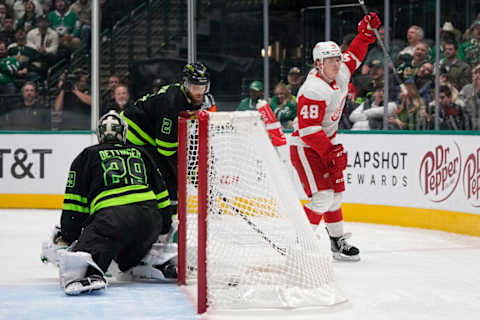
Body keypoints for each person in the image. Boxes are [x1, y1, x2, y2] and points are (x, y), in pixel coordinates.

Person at [44, 111, 174, 295]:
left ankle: (90, 273)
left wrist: (68, 235)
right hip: (150, 220)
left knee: (84, 252)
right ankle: (153, 260)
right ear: (124, 133)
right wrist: (163, 227)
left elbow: (74, 204)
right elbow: (162, 195)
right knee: (126, 258)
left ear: (100, 134)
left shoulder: (87, 156)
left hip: (112, 220)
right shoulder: (141, 153)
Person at [289, 12, 381, 262]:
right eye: (329, 60)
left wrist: (365, 33)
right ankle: (301, 242)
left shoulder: (340, 73)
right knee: (322, 197)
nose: (336, 63)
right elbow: (308, 130)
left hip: (323, 144)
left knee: (335, 195)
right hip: (305, 147)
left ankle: (337, 241)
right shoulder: (312, 89)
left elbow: (355, 54)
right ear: (318, 64)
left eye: (336, 59)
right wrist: (330, 151)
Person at [121, 62, 216, 215]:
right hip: (132, 134)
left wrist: (193, 168)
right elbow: (166, 150)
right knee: (166, 179)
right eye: (195, 88)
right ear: (185, 85)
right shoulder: (171, 104)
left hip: (152, 137)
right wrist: (188, 171)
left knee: (172, 179)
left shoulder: (201, 101)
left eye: (203, 88)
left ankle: (168, 221)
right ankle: (164, 222)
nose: (199, 92)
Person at [459, 64, 480, 130]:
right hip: (469, 128)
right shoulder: (466, 89)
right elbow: (458, 103)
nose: (476, 75)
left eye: (478, 72)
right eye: (475, 73)